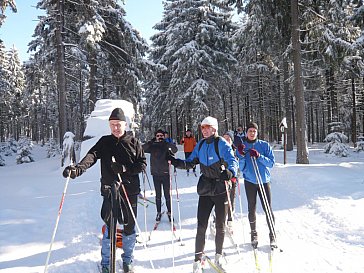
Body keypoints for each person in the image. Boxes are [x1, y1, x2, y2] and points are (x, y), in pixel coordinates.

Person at [62, 108, 146, 273]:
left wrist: (124, 169)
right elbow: (91, 156)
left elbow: (142, 164)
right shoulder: (105, 141)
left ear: (125, 124)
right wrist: (77, 169)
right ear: (109, 125)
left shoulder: (134, 142)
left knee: (129, 226)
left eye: (118, 124)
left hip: (129, 191)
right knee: (109, 226)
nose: (115, 128)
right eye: (112, 124)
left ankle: (128, 260)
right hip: (109, 189)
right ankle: (106, 263)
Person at [167, 116, 238, 273]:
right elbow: (191, 162)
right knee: (201, 225)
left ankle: (218, 256)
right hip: (206, 188)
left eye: (207, 127)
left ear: (214, 128)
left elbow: (233, 161)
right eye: (202, 128)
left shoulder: (221, 144)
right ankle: (197, 260)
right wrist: (176, 162)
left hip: (220, 189)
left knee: (220, 225)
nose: (204, 130)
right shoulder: (199, 145)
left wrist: (230, 172)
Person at [236, 122, 276, 248]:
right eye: (250, 131)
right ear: (246, 132)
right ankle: (253, 233)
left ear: (257, 132)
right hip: (250, 181)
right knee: (251, 208)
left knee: (267, 208)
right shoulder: (243, 146)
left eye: (254, 131)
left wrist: (259, 156)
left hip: (264, 181)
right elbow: (241, 168)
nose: (252, 133)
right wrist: (241, 155)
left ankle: (272, 235)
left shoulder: (264, 145)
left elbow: (271, 163)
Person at [142, 129, 178, 222]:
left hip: (165, 173)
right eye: (157, 136)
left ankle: (170, 212)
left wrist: (167, 143)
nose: (159, 137)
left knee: (167, 195)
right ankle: (158, 212)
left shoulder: (166, 145)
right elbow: (142, 148)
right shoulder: (152, 146)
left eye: (161, 136)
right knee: (158, 195)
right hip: (155, 174)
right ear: (155, 137)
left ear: (164, 136)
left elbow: (175, 150)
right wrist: (151, 142)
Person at [222, 130, 238, 232]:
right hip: (221, 179)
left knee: (231, 199)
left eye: (228, 139)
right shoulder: (219, 150)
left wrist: (235, 174)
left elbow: (238, 165)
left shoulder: (234, 151)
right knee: (221, 200)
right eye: (224, 139)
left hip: (232, 179)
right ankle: (218, 219)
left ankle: (230, 219)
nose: (226, 141)